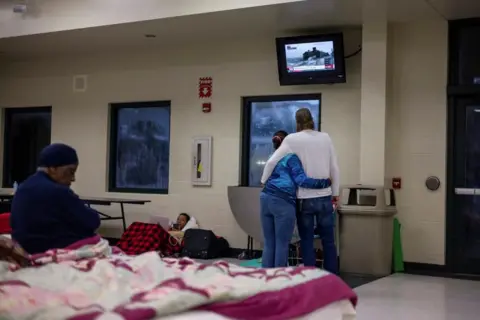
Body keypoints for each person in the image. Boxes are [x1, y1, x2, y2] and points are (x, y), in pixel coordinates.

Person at [261, 109, 340, 273]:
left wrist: (263, 181)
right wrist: (335, 192)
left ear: (296, 122)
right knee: (329, 241)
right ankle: (333, 277)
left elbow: (271, 162)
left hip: (304, 199)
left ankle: (309, 277)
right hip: (325, 197)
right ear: (312, 120)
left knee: (306, 241)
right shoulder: (325, 137)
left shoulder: (292, 139)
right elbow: (334, 168)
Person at [10, 143, 101, 254]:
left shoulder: (22, 188)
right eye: (71, 172)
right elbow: (92, 221)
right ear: (53, 168)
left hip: (23, 248)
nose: (73, 178)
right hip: (50, 249)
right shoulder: (58, 191)